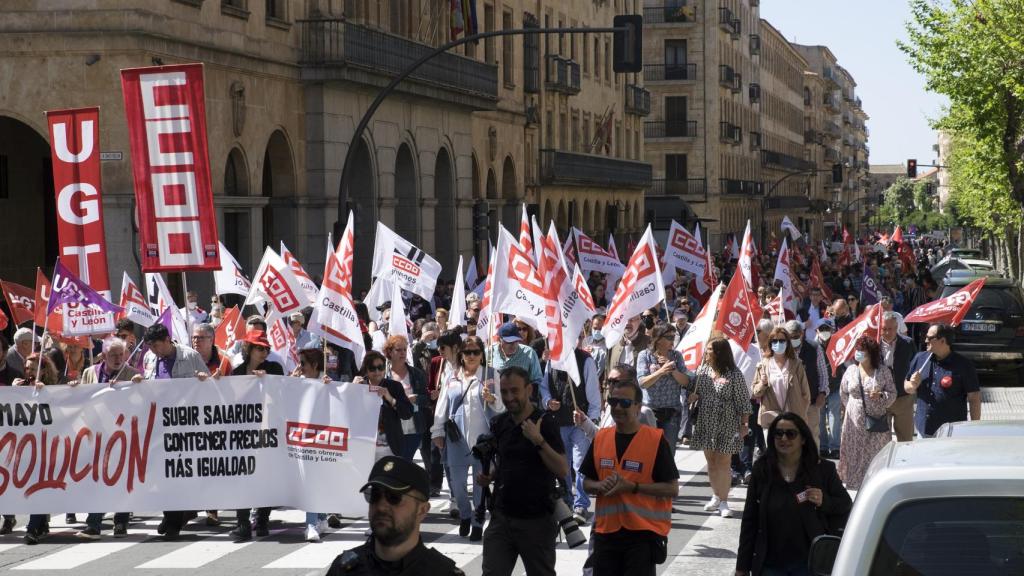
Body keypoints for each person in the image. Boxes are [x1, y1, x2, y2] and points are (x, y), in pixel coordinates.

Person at [580, 373, 680, 576]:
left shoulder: (654, 440)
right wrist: (598, 486)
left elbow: (672, 488)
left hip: (642, 537)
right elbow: (586, 482)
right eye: (613, 402)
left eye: (624, 403)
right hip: (606, 534)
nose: (617, 408)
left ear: (637, 406)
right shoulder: (601, 438)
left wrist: (633, 487)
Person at [735, 413, 852, 576]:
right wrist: (742, 567)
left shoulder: (823, 470)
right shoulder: (762, 469)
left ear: (803, 439)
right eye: (778, 433)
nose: (784, 438)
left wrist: (824, 501)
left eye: (791, 434)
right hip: (770, 564)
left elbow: (845, 504)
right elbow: (750, 519)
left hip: (809, 563)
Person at [479, 366, 568, 576]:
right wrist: (489, 475)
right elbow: (502, 459)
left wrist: (538, 441)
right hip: (502, 518)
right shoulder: (500, 422)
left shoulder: (544, 423)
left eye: (515, 391)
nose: (509, 397)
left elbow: (562, 469)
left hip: (536, 520)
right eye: (505, 391)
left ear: (529, 390)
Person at [132, 323, 210, 540]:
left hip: (185, 424)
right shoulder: (149, 358)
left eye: (157, 345)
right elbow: (147, 386)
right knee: (160, 473)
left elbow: (210, 385)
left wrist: (204, 379)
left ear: (168, 340)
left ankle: (174, 520)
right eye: (151, 347)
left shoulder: (190, 356)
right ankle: (171, 512)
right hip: (158, 424)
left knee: (176, 472)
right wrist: (139, 381)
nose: (155, 350)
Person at [326, 456, 462, 576]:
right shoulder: (343, 570)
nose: (381, 506)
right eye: (375, 495)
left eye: (394, 497)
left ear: (422, 510)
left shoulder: (443, 572)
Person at [431, 335, 503, 540]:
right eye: (467, 352)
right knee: (458, 485)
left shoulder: (491, 374)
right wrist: (437, 431)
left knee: (480, 484)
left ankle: (478, 522)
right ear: (461, 355)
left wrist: (493, 399)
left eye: (476, 352)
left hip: (483, 442)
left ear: (482, 355)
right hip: (456, 440)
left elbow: (502, 408)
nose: (471, 356)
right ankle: (465, 514)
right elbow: (442, 405)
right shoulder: (452, 377)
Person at [684, 337, 751, 518]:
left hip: (727, 424)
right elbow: (696, 389)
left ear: (719, 353)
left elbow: (744, 402)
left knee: (723, 463)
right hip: (706, 422)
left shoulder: (734, 374)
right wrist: (693, 395)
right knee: (711, 462)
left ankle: (724, 501)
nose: (706, 353)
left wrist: (744, 425)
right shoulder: (703, 370)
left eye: (710, 350)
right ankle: (715, 495)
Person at [230, 329, 284, 541]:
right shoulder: (238, 372)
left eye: (266, 349)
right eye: (259, 348)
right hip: (244, 432)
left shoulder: (274, 368)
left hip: (268, 430)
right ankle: (242, 522)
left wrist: (268, 381)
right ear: (249, 349)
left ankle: (262, 519)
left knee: (265, 476)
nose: (263, 352)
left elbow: (284, 391)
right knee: (243, 477)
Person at [540, 344, 601, 525]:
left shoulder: (585, 360)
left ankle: (581, 504)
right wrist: (547, 401)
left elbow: (593, 392)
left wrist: (592, 419)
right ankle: (567, 501)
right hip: (558, 423)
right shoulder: (551, 359)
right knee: (562, 464)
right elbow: (544, 386)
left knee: (580, 464)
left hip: (580, 422)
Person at [838, 336, 896, 490]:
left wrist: (881, 396)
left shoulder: (883, 372)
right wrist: (852, 407)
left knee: (874, 455)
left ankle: (874, 486)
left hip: (876, 422)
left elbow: (893, 394)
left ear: (871, 353)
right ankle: (855, 485)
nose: (858, 353)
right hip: (853, 424)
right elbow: (843, 392)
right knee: (854, 454)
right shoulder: (851, 370)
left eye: (861, 350)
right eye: (857, 350)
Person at [904, 323, 980, 438]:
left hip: (952, 432)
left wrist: (975, 427)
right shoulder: (920, 358)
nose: (925, 340)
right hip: (924, 429)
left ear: (942, 341)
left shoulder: (963, 365)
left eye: (929, 338)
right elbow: (906, 386)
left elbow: (974, 398)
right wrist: (912, 385)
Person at [15, 353, 60, 544]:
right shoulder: (21, 386)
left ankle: (33, 528)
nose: (29, 372)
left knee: (39, 487)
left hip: (48, 448)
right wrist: (14, 390)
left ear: (43, 370)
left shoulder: (52, 389)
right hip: (26, 448)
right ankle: (41, 524)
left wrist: (46, 392)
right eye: (27, 368)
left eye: (33, 369)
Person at [293, 348, 332, 542]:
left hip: (325, 440)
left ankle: (321, 518)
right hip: (304, 440)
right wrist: (289, 383)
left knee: (320, 480)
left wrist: (330, 388)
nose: (300, 367)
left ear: (315, 365)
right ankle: (311, 524)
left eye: (303, 363)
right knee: (311, 480)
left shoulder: (329, 383)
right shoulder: (297, 383)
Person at [636, 325, 691, 456]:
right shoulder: (645, 355)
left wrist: (672, 369)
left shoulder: (677, 356)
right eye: (669, 337)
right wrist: (661, 371)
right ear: (658, 339)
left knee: (667, 455)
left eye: (674, 337)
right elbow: (642, 383)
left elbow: (686, 382)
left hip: (671, 413)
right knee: (648, 454)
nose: (673, 341)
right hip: (650, 413)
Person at [751, 328, 811, 441]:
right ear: (770, 343)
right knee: (774, 455)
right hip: (771, 418)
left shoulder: (797, 364)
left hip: (793, 418)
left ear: (788, 343)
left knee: (791, 455)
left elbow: (806, 394)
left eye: (782, 341)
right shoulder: (764, 364)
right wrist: (762, 383)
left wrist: (801, 413)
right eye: (775, 341)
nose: (778, 343)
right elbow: (755, 392)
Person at [355, 350, 415, 460]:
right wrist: (352, 389)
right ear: (366, 370)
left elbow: (407, 413)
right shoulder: (358, 386)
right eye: (372, 368)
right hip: (364, 448)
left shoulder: (394, 386)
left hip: (390, 449)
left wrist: (390, 398)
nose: (377, 371)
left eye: (380, 367)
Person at [383, 335, 431, 463]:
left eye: (404, 349)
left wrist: (416, 399)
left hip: (413, 428)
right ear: (389, 352)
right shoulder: (383, 375)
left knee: (404, 462)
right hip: (392, 428)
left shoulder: (416, 374)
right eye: (398, 350)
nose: (402, 353)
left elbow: (427, 399)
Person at [784, 320, 828, 451]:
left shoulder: (814, 348)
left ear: (802, 334)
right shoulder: (782, 349)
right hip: (789, 403)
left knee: (812, 436)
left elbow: (823, 373)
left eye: (796, 336)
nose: (793, 340)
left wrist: (823, 392)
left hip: (811, 402)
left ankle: (812, 467)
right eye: (790, 337)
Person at [880, 312, 916, 442]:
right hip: (882, 398)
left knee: (905, 439)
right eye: (884, 329)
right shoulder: (873, 345)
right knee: (881, 440)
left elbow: (914, 366)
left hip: (903, 397)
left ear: (896, 328)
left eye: (890, 329)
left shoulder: (908, 343)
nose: (887, 332)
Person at [814, 320, 843, 459]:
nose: (824, 331)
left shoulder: (838, 344)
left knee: (835, 418)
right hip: (819, 389)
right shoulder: (813, 346)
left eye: (827, 328)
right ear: (817, 331)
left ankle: (835, 447)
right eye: (822, 328)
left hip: (836, 386)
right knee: (819, 419)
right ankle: (822, 447)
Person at [488, 322, 544, 392]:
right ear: (500, 339)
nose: (513, 345)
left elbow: (538, 380)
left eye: (516, 341)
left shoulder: (529, 353)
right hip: (494, 400)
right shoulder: (488, 353)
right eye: (509, 342)